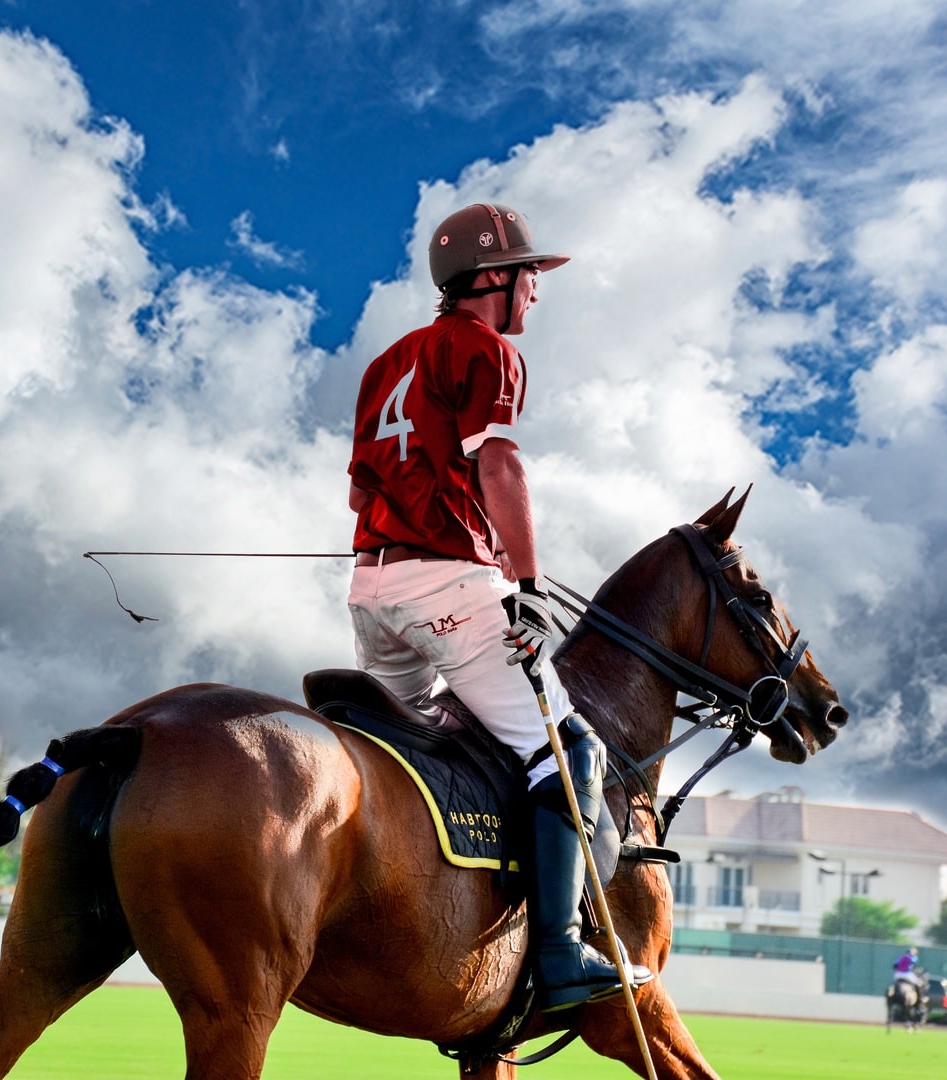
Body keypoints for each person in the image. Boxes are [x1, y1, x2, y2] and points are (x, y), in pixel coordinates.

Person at [346, 202, 652, 1013]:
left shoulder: (385, 364)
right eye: (529, 275)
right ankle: (558, 951)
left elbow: (360, 486)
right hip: (449, 590)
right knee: (568, 751)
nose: (535, 294)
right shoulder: (486, 351)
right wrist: (524, 582)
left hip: (372, 595)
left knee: (427, 756)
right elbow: (501, 470)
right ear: (492, 278)